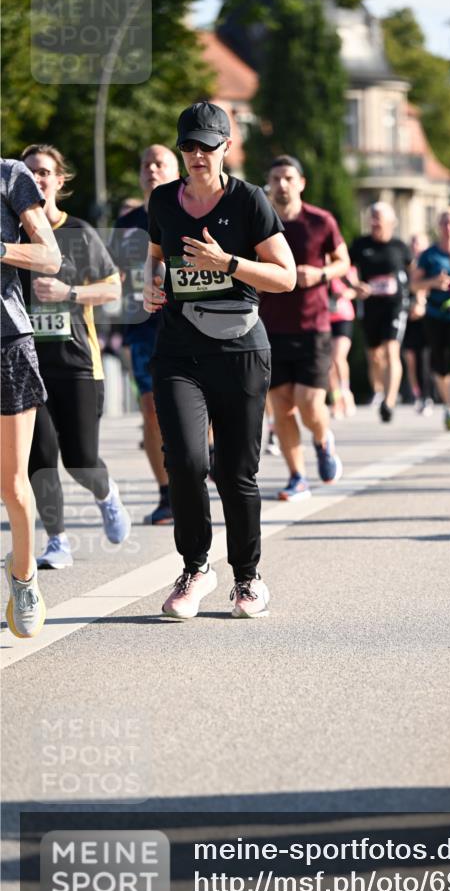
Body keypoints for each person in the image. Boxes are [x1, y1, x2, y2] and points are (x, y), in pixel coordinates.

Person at [144, 102, 295, 619]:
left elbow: (286, 276)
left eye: (207, 146)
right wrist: (150, 286)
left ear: (226, 147)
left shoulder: (249, 200)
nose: (197, 155)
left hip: (239, 349)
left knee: (235, 473)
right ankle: (195, 568)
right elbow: (156, 258)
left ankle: (248, 578)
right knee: (186, 462)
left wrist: (227, 263)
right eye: (188, 146)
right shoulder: (163, 200)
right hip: (179, 349)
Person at [19, 144, 130, 571]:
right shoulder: (12, 236)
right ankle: (57, 541)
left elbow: (113, 288)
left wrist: (69, 292)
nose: (37, 179)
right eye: (29, 172)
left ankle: (106, 493)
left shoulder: (79, 233)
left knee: (81, 460)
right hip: (26, 366)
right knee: (40, 457)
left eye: (45, 172)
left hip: (78, 365)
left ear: (59, 180)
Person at [261, 155, 349, 502]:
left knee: (309, 402)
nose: (281, 184)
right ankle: (297, 477)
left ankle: (323, 440)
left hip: (313, 326)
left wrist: (321, 274)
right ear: (269, 184)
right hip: (270, 327)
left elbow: (343, 261)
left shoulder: (320, 221)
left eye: (288, 178)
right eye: (275, 178)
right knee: (281, 407)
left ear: (301, 183)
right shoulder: (260, 221)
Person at [1, 158, 60, 637]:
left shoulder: (11, 176)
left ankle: (23, 579)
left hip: (6, 344)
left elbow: (50, 257)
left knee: (12, 484)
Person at [110, 144, 180, 524]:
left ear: (176, 171)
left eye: (160, 163)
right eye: (146, 164)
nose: (152, 169)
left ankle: (207, 454)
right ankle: (166, 494)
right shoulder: (126, 224)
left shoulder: (187, 211)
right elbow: (113, 276)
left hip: (189, 324)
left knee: (198, 406)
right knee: (151, 410)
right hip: (142, 328)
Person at [350, 203, 411, 423]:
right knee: (374, 356)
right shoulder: (360, 244)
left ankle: (389, 402)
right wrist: (355, 284)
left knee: (391, 350)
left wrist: (418, 298)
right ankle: (380, 390)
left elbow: (413, 273)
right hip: (370, 306)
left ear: (391, 222)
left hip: (395, 305)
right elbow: (346, 266)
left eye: (379, 217)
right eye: (372, 217)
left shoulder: (400, 247)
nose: (375, 222)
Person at [412, 208, 450, 430]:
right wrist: (433, 282)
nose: (448, 227)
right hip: (435, 314)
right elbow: (414, 284)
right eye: (444, 223)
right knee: (439, 366)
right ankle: (449, 404)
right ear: (438, 227)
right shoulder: (429, 255)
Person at [403, 232, 433, 416]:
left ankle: (427, 395)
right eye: (413, 243)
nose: (415, 247)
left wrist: (421, 303)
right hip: (408, 316)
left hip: (428, 316)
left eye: (419, 243)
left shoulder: (430, 263)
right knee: (410, 358)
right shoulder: (406, 266)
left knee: (425, 357)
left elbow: (427, 287)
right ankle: (417, 394)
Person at [327, 266, 358, 419]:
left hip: (343, 317)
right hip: (324, 318)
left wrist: (344, 294)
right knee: (329, 363)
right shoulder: (320, 268)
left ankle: (346, 393)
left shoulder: (346, 268)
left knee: (339, 357)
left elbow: (355, 289)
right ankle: (336, 400)